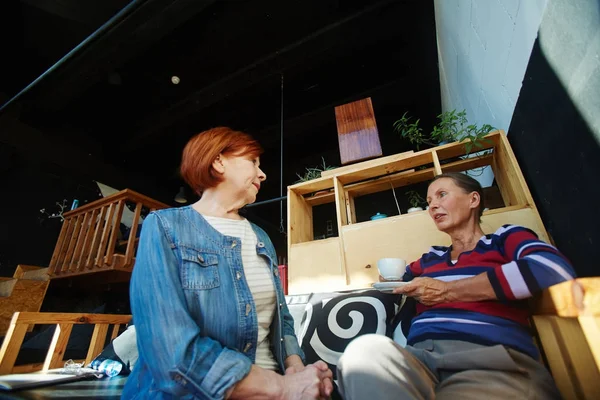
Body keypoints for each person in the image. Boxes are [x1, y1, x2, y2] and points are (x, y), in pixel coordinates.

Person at [122, 127, 333, 399]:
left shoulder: (261, 238)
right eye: (253, 162)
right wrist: (282, 388)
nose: (262, 173)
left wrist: (298, 373)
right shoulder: (164, 226)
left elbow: (282, 320)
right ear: (218, 161)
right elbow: (170, 352)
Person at [336, 172, 575, 400]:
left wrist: (448, 291)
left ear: (473, 199)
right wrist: (389, 282)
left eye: (442, 195)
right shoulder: (431, 258)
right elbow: (398, 284)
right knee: (362, 355)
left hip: (488, 357)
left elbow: (552, 269)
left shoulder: (503, 239)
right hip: (420, 360)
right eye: (429, 201)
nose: (432, 206)